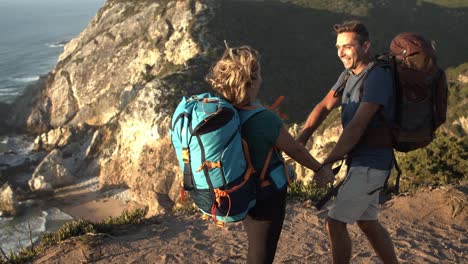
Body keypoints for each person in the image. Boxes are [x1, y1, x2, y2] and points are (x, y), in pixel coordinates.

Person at [206, 44, 335, 264]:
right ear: (252, 80)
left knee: (256, 245)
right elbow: (294, 149)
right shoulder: (264, 118)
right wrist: (320, 169)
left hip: (240, 188)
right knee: (262, 253)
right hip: (266, 194)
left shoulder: (224, 112)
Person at [297, 21, 399, 264]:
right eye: (338, 47)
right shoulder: (347, 75)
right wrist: (302, 137)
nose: (341, 52)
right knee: (368, 222)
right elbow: (324, 106)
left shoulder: (377, 77)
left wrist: (326, 163)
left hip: (372, 163)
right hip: (361, 162)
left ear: (366, 46)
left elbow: (357, 127)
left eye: (347, 46)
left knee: (334, 224)